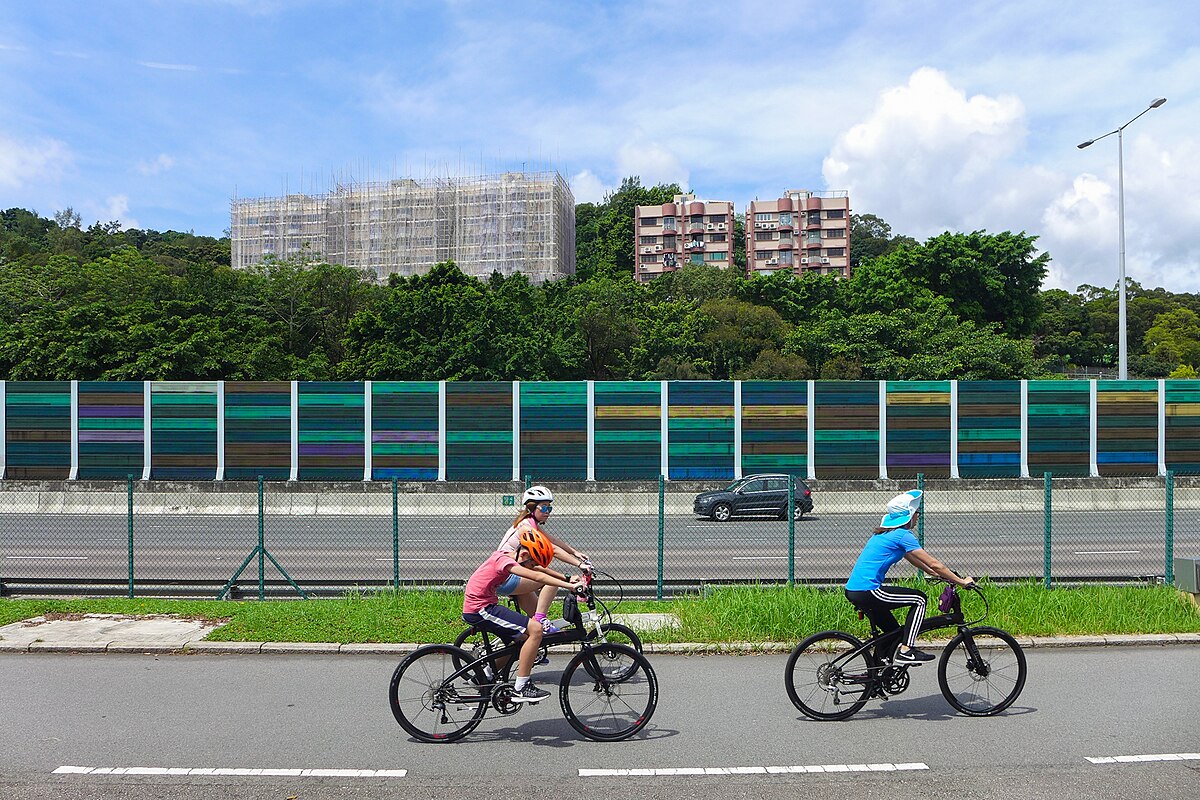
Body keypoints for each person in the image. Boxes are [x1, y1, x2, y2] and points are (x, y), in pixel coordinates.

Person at [844, 490, 975, 666]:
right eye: (917, 513)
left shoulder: (886, 533)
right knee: (920, 599)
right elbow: (935, 563)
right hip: (868, 590)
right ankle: (907, 650)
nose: (918, 516)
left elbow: (912, 557)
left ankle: (876, 675)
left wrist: (933, 574)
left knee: (894, 632)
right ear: (910, 515)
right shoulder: (903, 535)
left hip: (855, 590)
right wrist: (961, 581)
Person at [462, 527, 581, 703]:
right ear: (524, 555)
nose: (533, 567)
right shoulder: (504, 562)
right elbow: (538, 577)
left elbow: (541, 571)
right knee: (536, 629)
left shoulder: (511, 556)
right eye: (532, 563)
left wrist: (567, 578)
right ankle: (522, 687)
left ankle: (484, 676)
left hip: (486, 606)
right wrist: (569, 586)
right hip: (480, 609)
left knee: (524, 640)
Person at [495, 486, 590, 634]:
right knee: (550, 581)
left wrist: (575, 552)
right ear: (532, 508)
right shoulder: (526, 528)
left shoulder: (531, 523)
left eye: (549, 508)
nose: (548, 512)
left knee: (535, 626)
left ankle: (534, 651)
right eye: (544, 508)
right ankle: (541, 620)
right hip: (507, 576)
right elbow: (552, 549)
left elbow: (552, 540)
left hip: (513, 574)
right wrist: (579, 564)